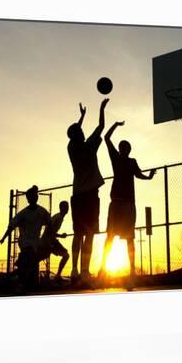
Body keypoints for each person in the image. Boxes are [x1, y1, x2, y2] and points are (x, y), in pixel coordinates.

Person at [98, 121, 156, 282]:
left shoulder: (132, 162)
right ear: (120, 149)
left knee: (129, 238)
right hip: (116, 203)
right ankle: (103, 269)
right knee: (110, 236)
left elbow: (138, 174)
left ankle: (132, 271)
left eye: (125, 147)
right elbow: (106, 137)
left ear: (129, 150)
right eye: (121, 147)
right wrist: (115, 125)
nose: (123, 149)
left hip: (128, 204)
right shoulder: (115, 158)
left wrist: (149, 177)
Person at [67, 98, 109, 284]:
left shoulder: (71, 147)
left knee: (78, 233)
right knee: (90, 234)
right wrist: (101, 108)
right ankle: (85, 271)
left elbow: (74, 131)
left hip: (77, 195)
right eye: (81, 130)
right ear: (80, 135)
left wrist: (81, 117)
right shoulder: (90, 145)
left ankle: (75, 269)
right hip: (90, 196)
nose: (83, 130)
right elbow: (101, 125)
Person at [0, 185, 51, 290]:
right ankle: (20, 281)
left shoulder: (42, 211)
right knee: (30, 257)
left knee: (30, 264)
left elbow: (50, 224)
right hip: (25, 242)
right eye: (31, 197)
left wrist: (51, 238)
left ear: (37, 197)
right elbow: (11, 226)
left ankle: (12, 277)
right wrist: (3, 238)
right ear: (28, 199)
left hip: (36, 243)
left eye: (35, 196)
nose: (34, 198)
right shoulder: (23, 214)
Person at [38, 200, 70, 281]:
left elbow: (50, 230)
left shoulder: (59, 217)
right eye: (65, 207)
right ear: (61, 208)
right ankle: (58, 276)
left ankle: (58, 275)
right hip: (48, 242)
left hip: (50, 241)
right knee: (66, 255)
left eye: (67, 207)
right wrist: (61, 236)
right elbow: (49, 230)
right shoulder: (58, 217)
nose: (67, 209)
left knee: (39, 257)